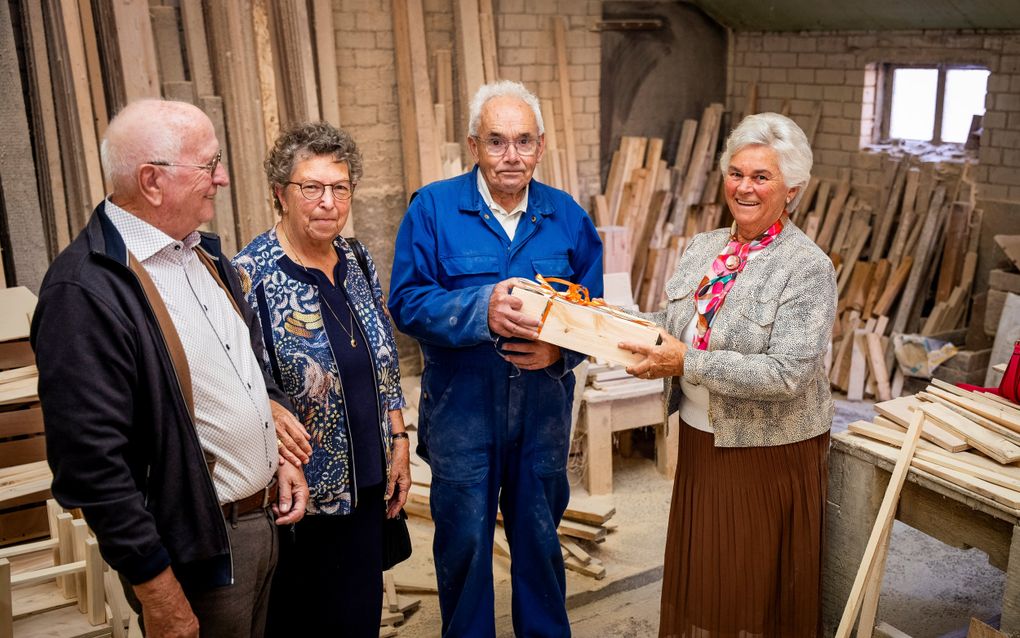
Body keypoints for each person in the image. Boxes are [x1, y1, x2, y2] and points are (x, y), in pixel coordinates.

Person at [30, 99, 308, 638]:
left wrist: (273, 423)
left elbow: (246, 359)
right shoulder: (85, 292)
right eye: (208, 165)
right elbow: (92, 466)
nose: (221, 178)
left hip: (263, 523)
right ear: (152, 181)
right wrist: (157, 588)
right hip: (197, 554)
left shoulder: (203, 256)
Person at [388, 80, 603, 637]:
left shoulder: (568, 217)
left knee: (538, 540)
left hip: (542, 415)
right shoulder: (433, 208)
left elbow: (594, 314)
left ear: (541, 146)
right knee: (464, 545)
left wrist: (559, 348)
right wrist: (480, 308)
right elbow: (407, 302)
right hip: (463, 412)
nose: (512, 156)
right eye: (497, 141)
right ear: (473, 145)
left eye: (524, 141)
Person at [619, 112, 837, 637]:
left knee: (752, 590)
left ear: (793, 190)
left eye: (762, 177)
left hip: (767, 453)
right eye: (736, 173)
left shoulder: (806, 267)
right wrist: (605, 322)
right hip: (701, 439)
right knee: (708, 582)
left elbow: (789, 373)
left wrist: (686, 363)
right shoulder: (704, 248)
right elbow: (670, 325)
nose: (744, 187)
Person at [232, 121, 410, 636]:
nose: (328, 201)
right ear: (279, 195)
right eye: (311, 187)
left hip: (369, 479)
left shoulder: (356, 260)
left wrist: (398, 439)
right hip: (302, 497)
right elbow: (245, 386)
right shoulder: (249, 275)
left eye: (340, 188)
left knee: (358, 616)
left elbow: (384, 360)